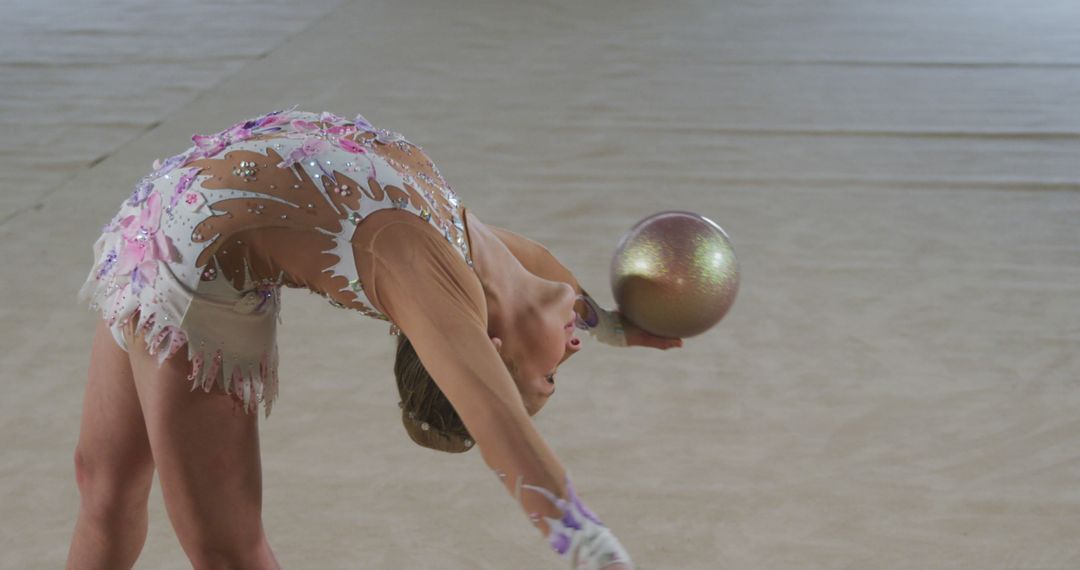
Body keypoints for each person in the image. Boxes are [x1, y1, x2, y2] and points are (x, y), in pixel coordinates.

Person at [69, 108, 682, 570]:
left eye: (551, 376)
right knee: (152, 510)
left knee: (171, 521)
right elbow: (547, 306)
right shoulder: (477, 260)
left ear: (487, 350)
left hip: (182, 252)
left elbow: (508, 409)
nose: (573, 351)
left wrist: (596, 550)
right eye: (551, 378)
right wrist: (619, 328)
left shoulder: (444, 285)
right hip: (165, 221)